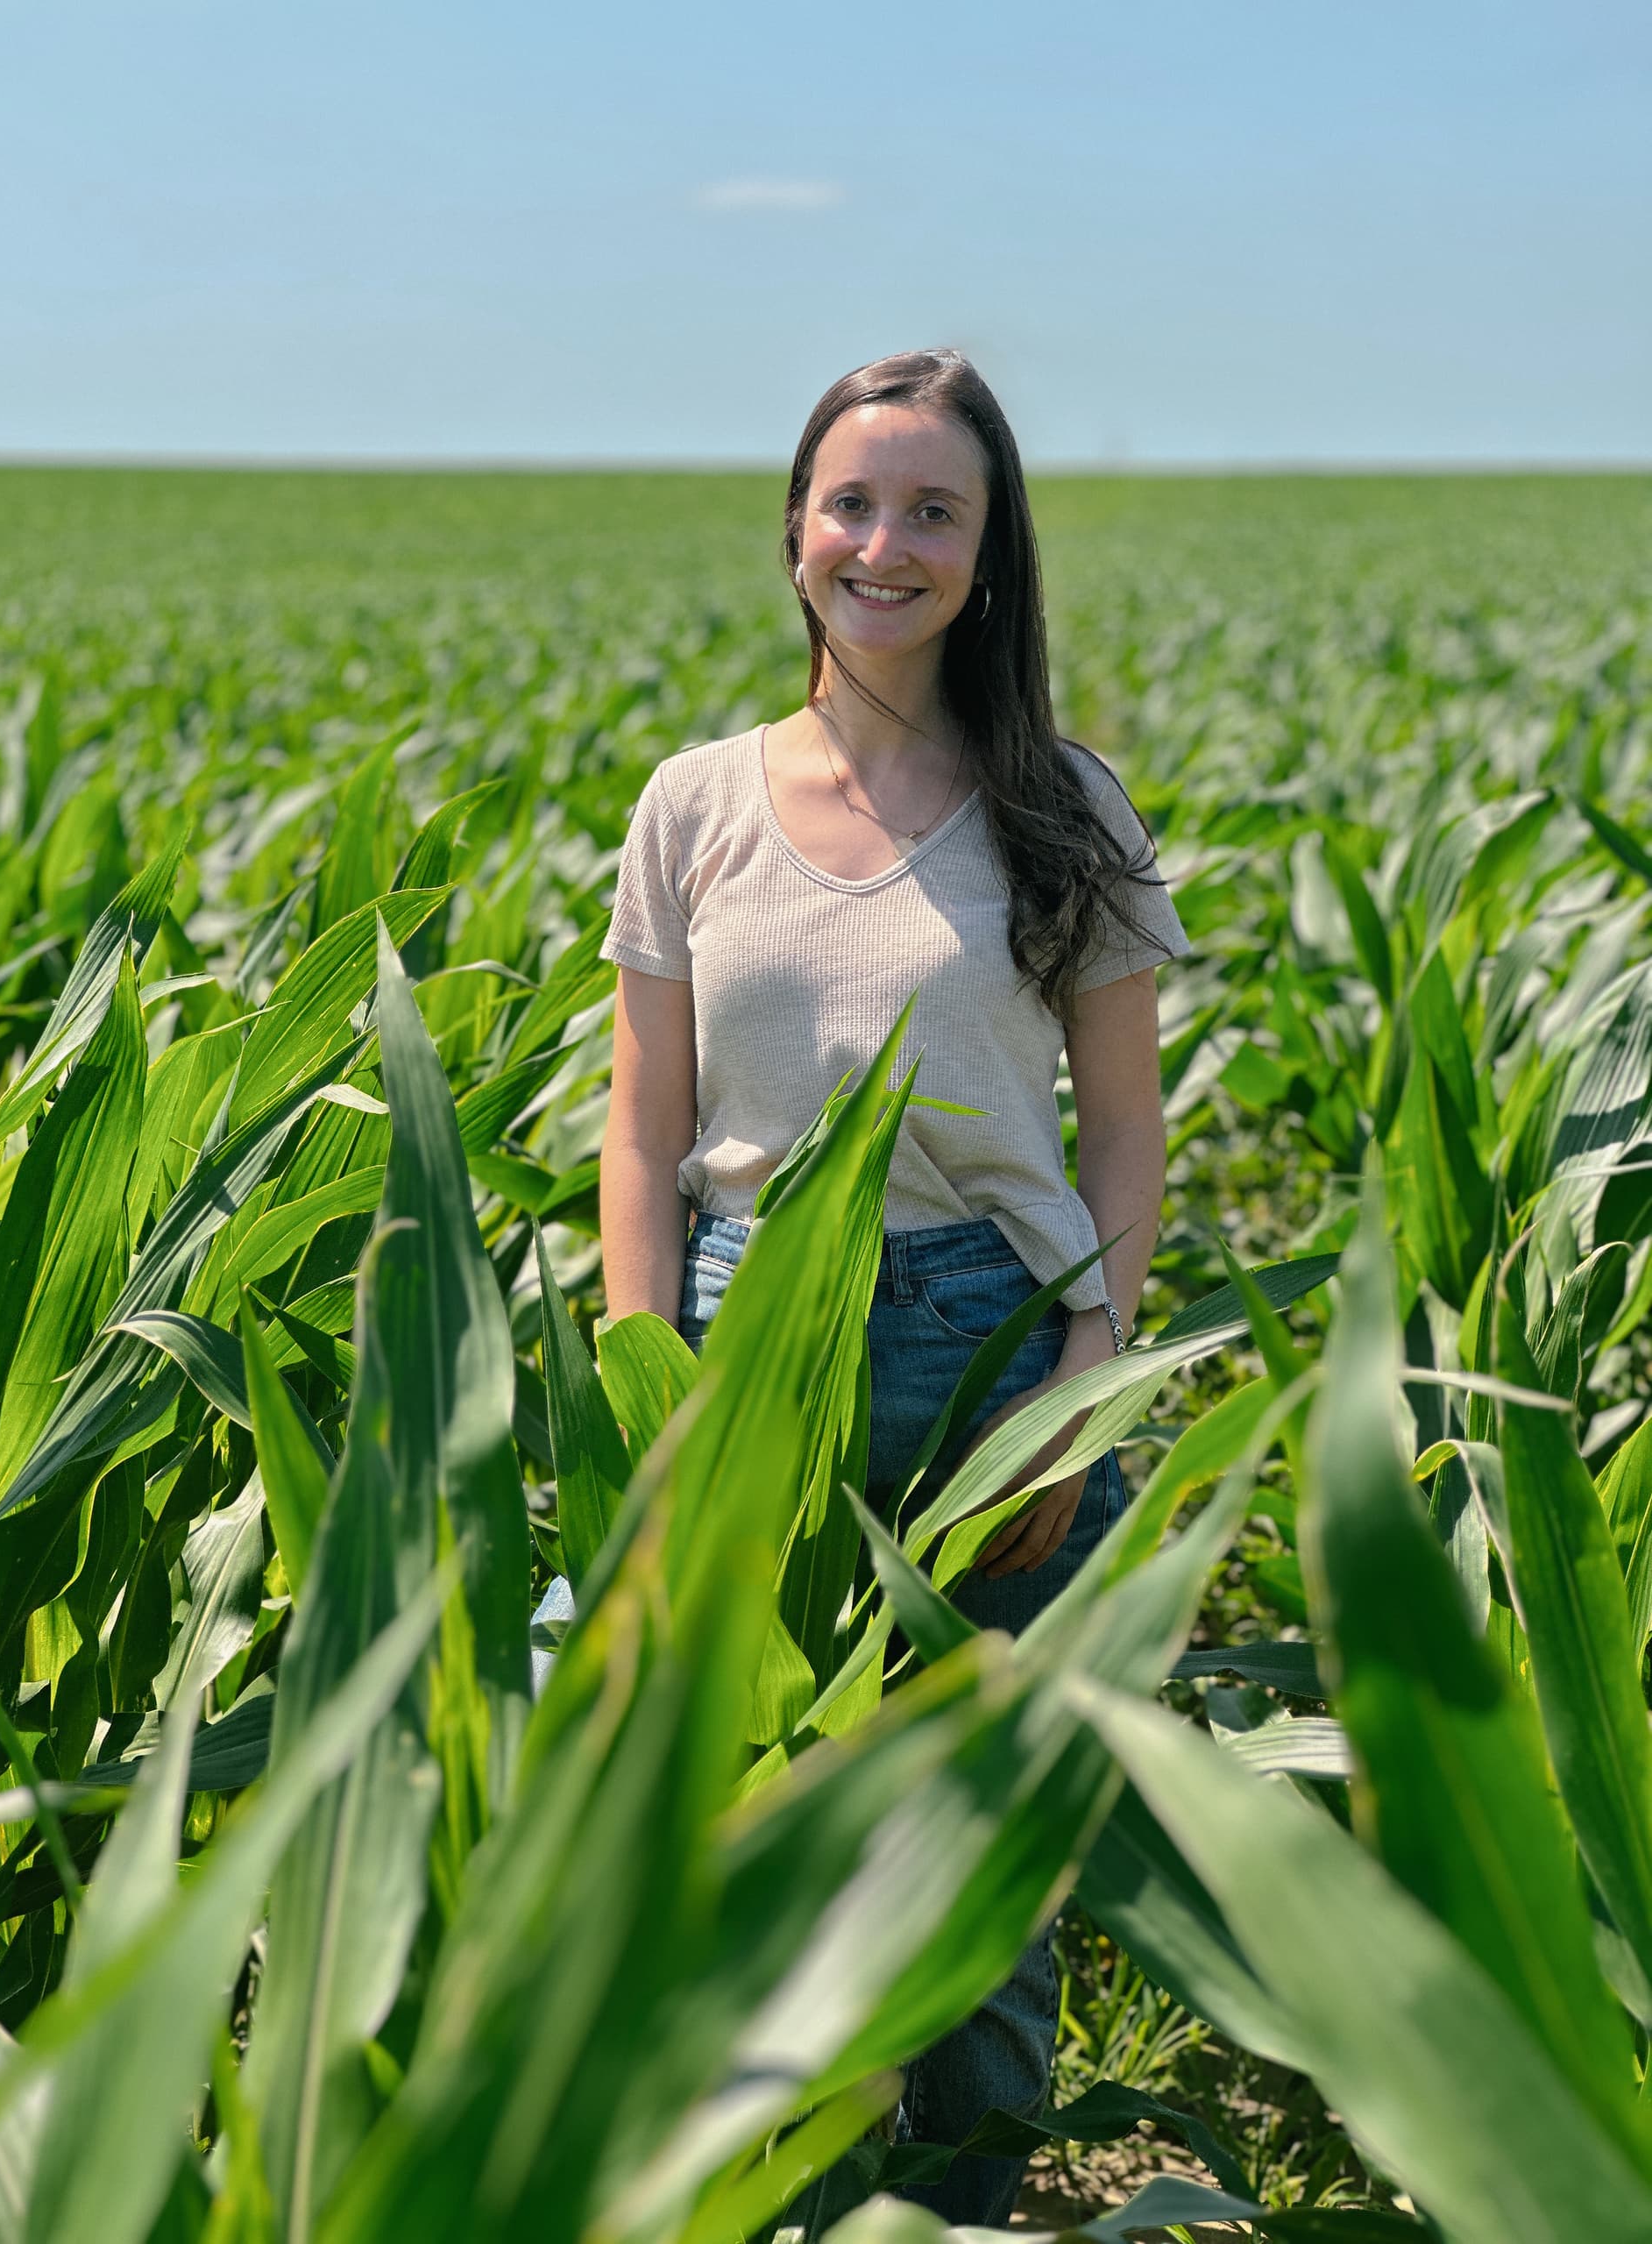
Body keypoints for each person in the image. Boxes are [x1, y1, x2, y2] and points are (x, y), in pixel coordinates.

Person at [595, 346, 1192, 2232]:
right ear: (794, 534)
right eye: (855, 501)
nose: (888, 541)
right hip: (749, 1323)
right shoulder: (694, 805)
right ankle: (794, 2181)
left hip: (997, 1333)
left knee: (991, 1810)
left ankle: (977, 2186)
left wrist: (1083, 1365)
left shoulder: (1063, 804)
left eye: (937, 507)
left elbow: (1123, 1135)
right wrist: (657, 1382)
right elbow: (641, 1133)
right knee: (765, 1795)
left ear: (991, 551)